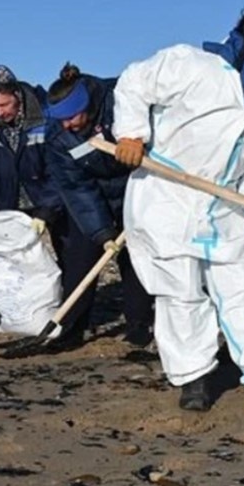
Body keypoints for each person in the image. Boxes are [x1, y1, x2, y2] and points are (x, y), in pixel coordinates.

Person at [109, 9, 244, 411]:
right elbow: (134, 82)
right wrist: (132, 132)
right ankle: (194, 378)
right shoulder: (194, 67)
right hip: (167, 196)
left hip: (229, 206)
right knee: (180, 292)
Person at [43, 62, 155, 347]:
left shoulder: (119, 101)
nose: (67, 125)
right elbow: (76, 187)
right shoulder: (60, 137)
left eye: (72, 117)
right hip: (96, 196)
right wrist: (101, 231)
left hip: (138, 186)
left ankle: (139, 327)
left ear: (87, 104)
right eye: (61, 120)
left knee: (136, 260)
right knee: (80, 259)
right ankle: (69, 330)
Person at [0, 65, 70, 314]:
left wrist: (47, 210)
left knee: (68, 255)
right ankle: (10, 311)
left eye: (4, 105)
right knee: (5, 262)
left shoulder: (46, 119)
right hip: (4, 202)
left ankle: (63, 311)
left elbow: (60, 172)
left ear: (17, 97)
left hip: (46, 198)